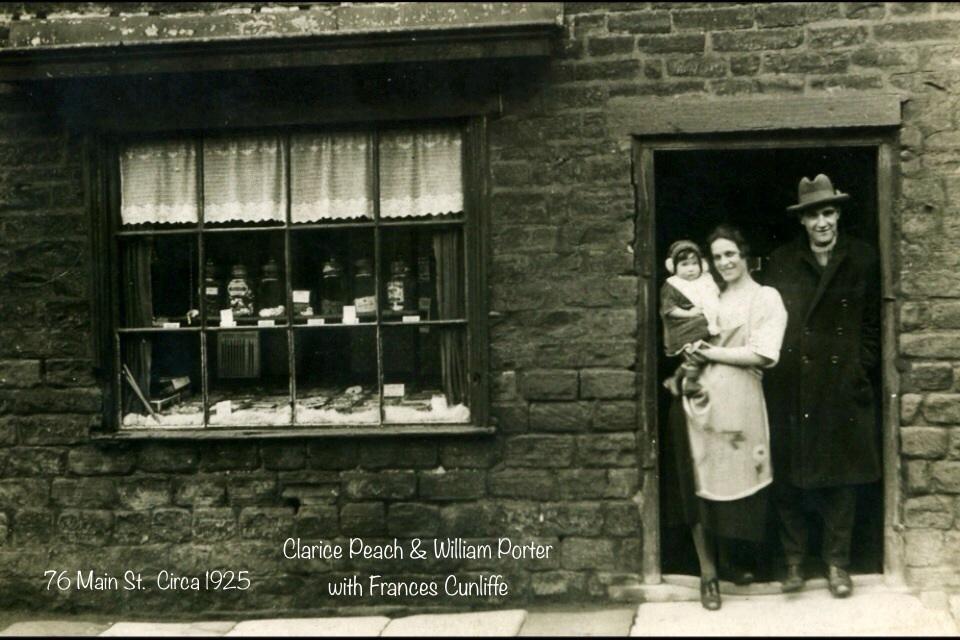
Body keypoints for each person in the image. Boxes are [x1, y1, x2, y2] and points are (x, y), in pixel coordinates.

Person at [762, 174, 882, 599]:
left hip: (840, 386)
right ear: (802, 221)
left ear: (838, 214)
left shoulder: (863, 259)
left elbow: (871, 325)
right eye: (813, 214)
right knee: (790, 476)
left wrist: (857, 369)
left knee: (841, 479)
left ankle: (837, 564)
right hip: (793, 384)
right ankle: (793, 563)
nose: (822, 222)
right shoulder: (780, 263)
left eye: (828, 212)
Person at [664, 225, 787, 611]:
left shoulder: (765, 298)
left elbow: (764, 353)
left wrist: (710, 353)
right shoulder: (706, 296)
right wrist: (684, 371)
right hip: (697, 402)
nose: (724, 263)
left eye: (730, 254)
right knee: (698, 484)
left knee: (735, 482)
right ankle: (708, 573)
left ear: (744, 255)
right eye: (716, 257)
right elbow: (682, 339)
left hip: (739, 403)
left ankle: (733, 561)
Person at [660, 239, 720, 396]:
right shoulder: (672, 285)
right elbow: (669, 310)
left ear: (702, 265)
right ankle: (690, 383)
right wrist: (689, 314)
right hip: (684, 327)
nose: (691, 269)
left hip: (702, 324)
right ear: (673, 267)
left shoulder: (705, 281)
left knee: (699, 353)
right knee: (697, 353)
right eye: (684, 265)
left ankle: (676, 379)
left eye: (694, 264)